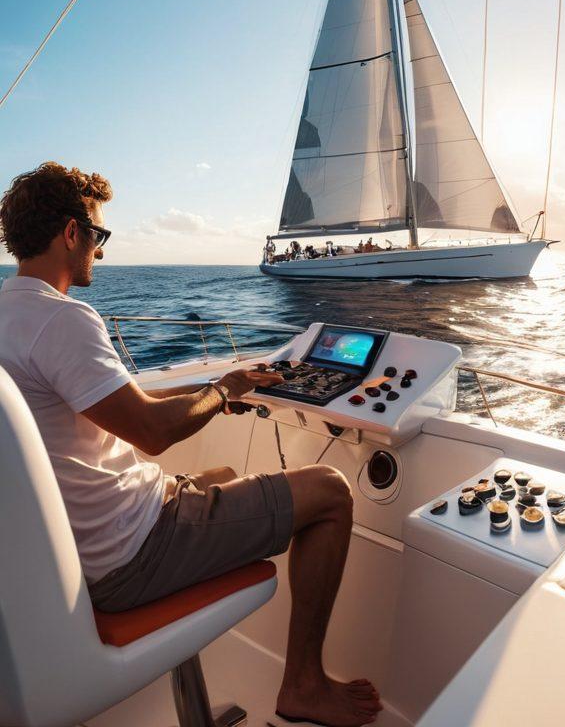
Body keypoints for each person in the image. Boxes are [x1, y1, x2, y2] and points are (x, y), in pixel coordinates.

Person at [0, 164, 380, 727]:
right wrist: (223, 388)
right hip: (130, 554)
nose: (101, 253)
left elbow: (118, 398)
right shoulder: (63, 322)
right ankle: (303, 684)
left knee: (223, 472)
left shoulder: (11, 315)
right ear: (71, 232)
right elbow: (152, 432)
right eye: (99, 236)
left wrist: (225, 389)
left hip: (81, 548)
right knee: (329, 492)